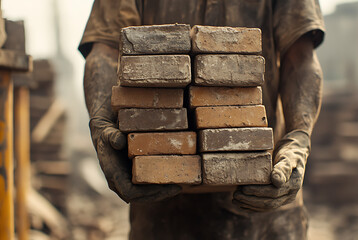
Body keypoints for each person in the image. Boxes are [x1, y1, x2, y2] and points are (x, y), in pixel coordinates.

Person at [79, 0, 324, 239]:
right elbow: (106, 50)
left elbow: (300, 57)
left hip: (266, 199)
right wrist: (100, 122)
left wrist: (299, 138)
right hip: (162, 204)